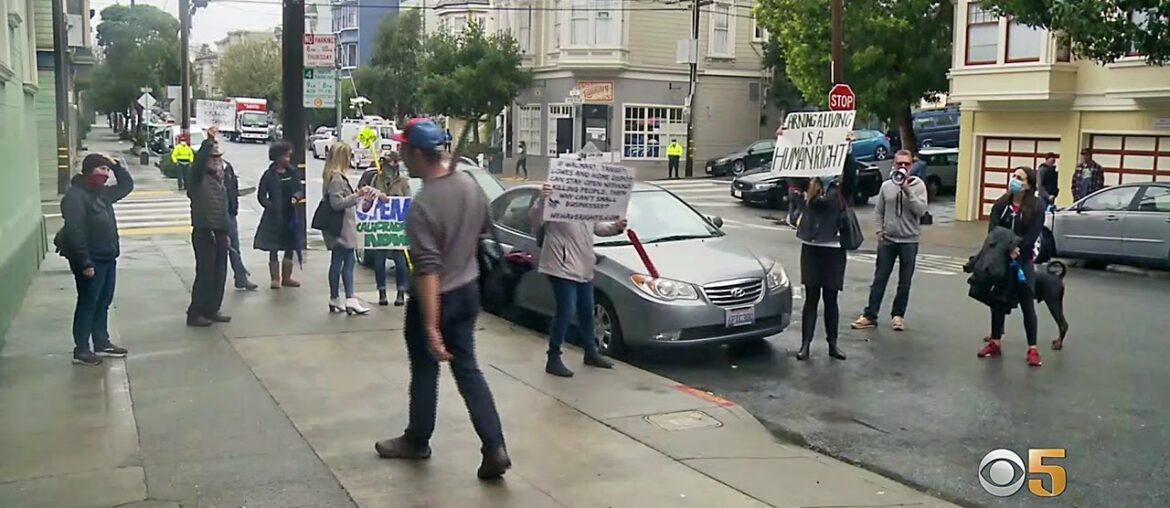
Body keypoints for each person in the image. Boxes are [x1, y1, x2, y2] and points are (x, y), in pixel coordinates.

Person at [374, 118, 510, 480]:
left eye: (404, 148)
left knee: (424, 368)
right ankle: (494, 445)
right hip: (469, 288)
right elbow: (483, 228)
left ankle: (417, 440)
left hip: (436, 298)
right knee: (468, 371)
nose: (400, 155)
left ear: (418, 153)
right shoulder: (469, 185)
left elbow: (428, 271)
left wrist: (431, 326)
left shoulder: (424, 205)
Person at [530, 183, 627, 377]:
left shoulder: (586, 203)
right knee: (566, 310)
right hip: (560, 265)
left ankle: (591, 352)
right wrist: (543, 199)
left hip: (583, 264)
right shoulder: (554, 200)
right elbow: (536, 220)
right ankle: (553, 357)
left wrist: (616, 227)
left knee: (586, 309)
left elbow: (597, 228)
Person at [57, 153, 133, 366]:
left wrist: (116, 164)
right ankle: (81, 349)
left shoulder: (103, 194)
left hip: (108, 256)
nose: (106, 174)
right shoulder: (75, 197)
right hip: (91, 260)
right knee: (88, 303)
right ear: (89, 170)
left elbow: (127, 186)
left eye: (107, 170)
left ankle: (101, 342)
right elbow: (75, 232)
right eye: (102, 169)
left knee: (103, 302)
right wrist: (85, 262)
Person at [793, 131, 861, 361]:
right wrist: (785, 140)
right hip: (811, 247)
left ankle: (833, 344)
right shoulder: (810, 185)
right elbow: (792, 171)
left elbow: (852, 174)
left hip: (833, 248)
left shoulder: (840, 187)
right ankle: (805, 345)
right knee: (811, 298)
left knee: (831, 298)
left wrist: (849, 151)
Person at [851, 149, 929, 332]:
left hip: (909, 241)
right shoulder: (886, 186)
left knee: (904, 281)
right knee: (880, 278)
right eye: (899, 163)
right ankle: (870, 315)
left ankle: (898, 316)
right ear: (894, 164)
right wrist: (880, 231)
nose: (903, 167)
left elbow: (921, 211)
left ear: (911, 166)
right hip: (888, 240)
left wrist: (908, 191)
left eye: (906, 164)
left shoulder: (918, 186)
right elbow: (878, 211)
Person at [978, 167, 1046, 367]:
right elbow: (993, 230)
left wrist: (1018, 249)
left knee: (1027, 304)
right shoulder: (1002, 204)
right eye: (1014, 176)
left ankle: (1032, 348)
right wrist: (1006, 248)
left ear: (1028, 184)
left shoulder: (1036, 206)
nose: (1014, 180)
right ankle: (995, 341)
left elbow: (1034, 233)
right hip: (1002, 260)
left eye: (1019, 178)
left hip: (1023, 261)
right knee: (997, 302)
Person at [185, 142, 233, 327]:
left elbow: (224, 209)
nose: (217, 161)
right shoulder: (197, 178)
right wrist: (208, 143)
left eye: (218, 158)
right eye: (212, 158)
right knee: (205, 274)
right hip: (205, 232)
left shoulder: (220, 180)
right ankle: (196, 312)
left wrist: (227, 232)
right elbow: (197, 165)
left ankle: (212, 309)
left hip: (220, 231)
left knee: (219, 274)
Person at [322, 141, 372, 315]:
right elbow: (337, 204)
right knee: (348, 262)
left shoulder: (331, 176)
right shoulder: (336, 178)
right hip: (342, 226)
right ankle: (350, 298)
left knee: (338, 261)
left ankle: (336, 298)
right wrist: (356, 195)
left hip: (339, 226)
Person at [358, 151, 412, 306]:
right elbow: (369, 199)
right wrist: (375, 194)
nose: (385, 166)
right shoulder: (377, 179)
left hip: (396, 228)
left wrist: (393, 200)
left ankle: (401, 291)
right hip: (381, 227)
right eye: (384, 163)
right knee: (379, 260)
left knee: (400, 260)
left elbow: (407, 202)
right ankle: (381, 291)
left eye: (389, 163)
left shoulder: (402, 182)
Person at [255, 141, 303, 289]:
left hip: (289, 213)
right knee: (273, 247)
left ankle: (287, 277)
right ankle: (275, 278)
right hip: (274, 216)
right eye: (286, 156)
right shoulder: (268, 175)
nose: (288, 159)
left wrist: (296, 197)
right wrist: (270, 206)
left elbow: (299, 189)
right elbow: (261, 196)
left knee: (289, 245)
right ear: (278, 157)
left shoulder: (292, 172)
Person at [222, 150, 257, 291]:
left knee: (234, 247)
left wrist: (234, 207)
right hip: (216, 215)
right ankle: (238, 276)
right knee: (222, 249)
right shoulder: (206, 171)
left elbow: (233, 190)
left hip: (229, 213)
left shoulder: (227, 167)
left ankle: (241, 277)